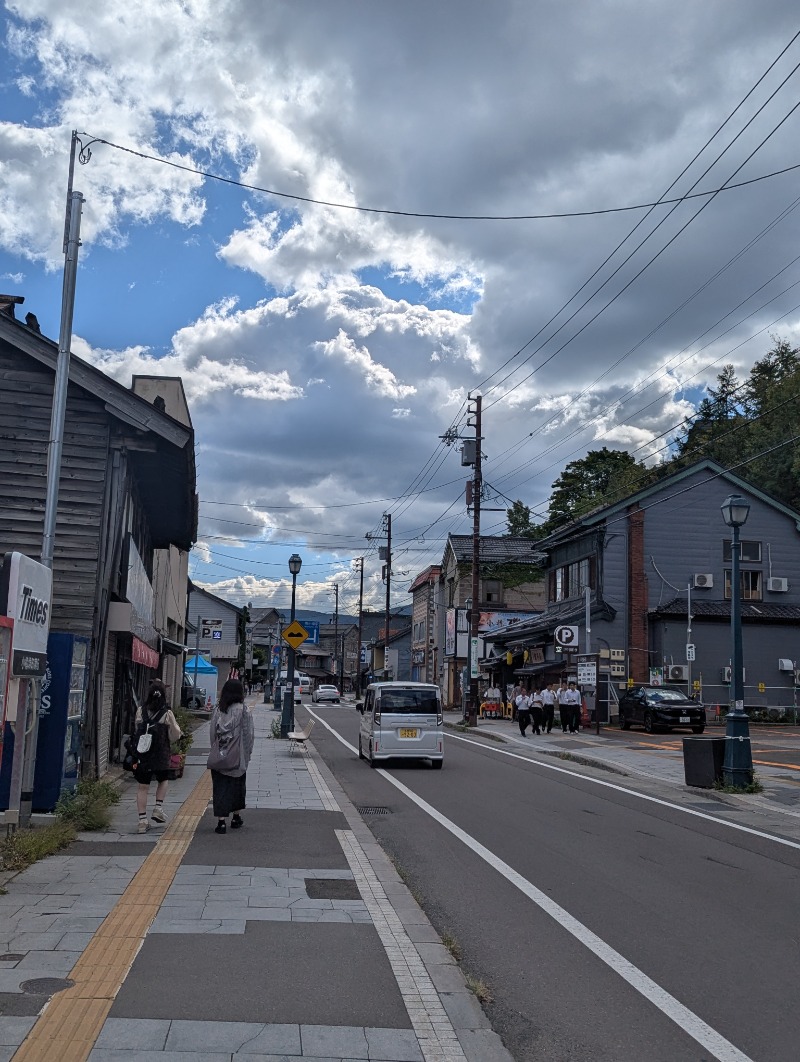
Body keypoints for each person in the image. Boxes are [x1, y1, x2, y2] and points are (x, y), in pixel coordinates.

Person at [132, 679, 182, 834]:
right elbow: (175, 734)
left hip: (143, 754)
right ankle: (158, 808)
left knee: (143, 786)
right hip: (161, 753)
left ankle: (142, 821)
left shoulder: (141, 711)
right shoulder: (167, 713)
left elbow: (137, 729)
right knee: (163, 780)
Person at [209, 678, 255, 834]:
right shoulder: (244, 711)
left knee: (220, 788)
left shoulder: (218, 710)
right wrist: (247, 754)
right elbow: (249, 735)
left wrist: (216, 750)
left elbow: (212, 733)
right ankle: (236, 817)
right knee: (237, 787)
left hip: (220, 755)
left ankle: (221, 822)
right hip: (238, 756)